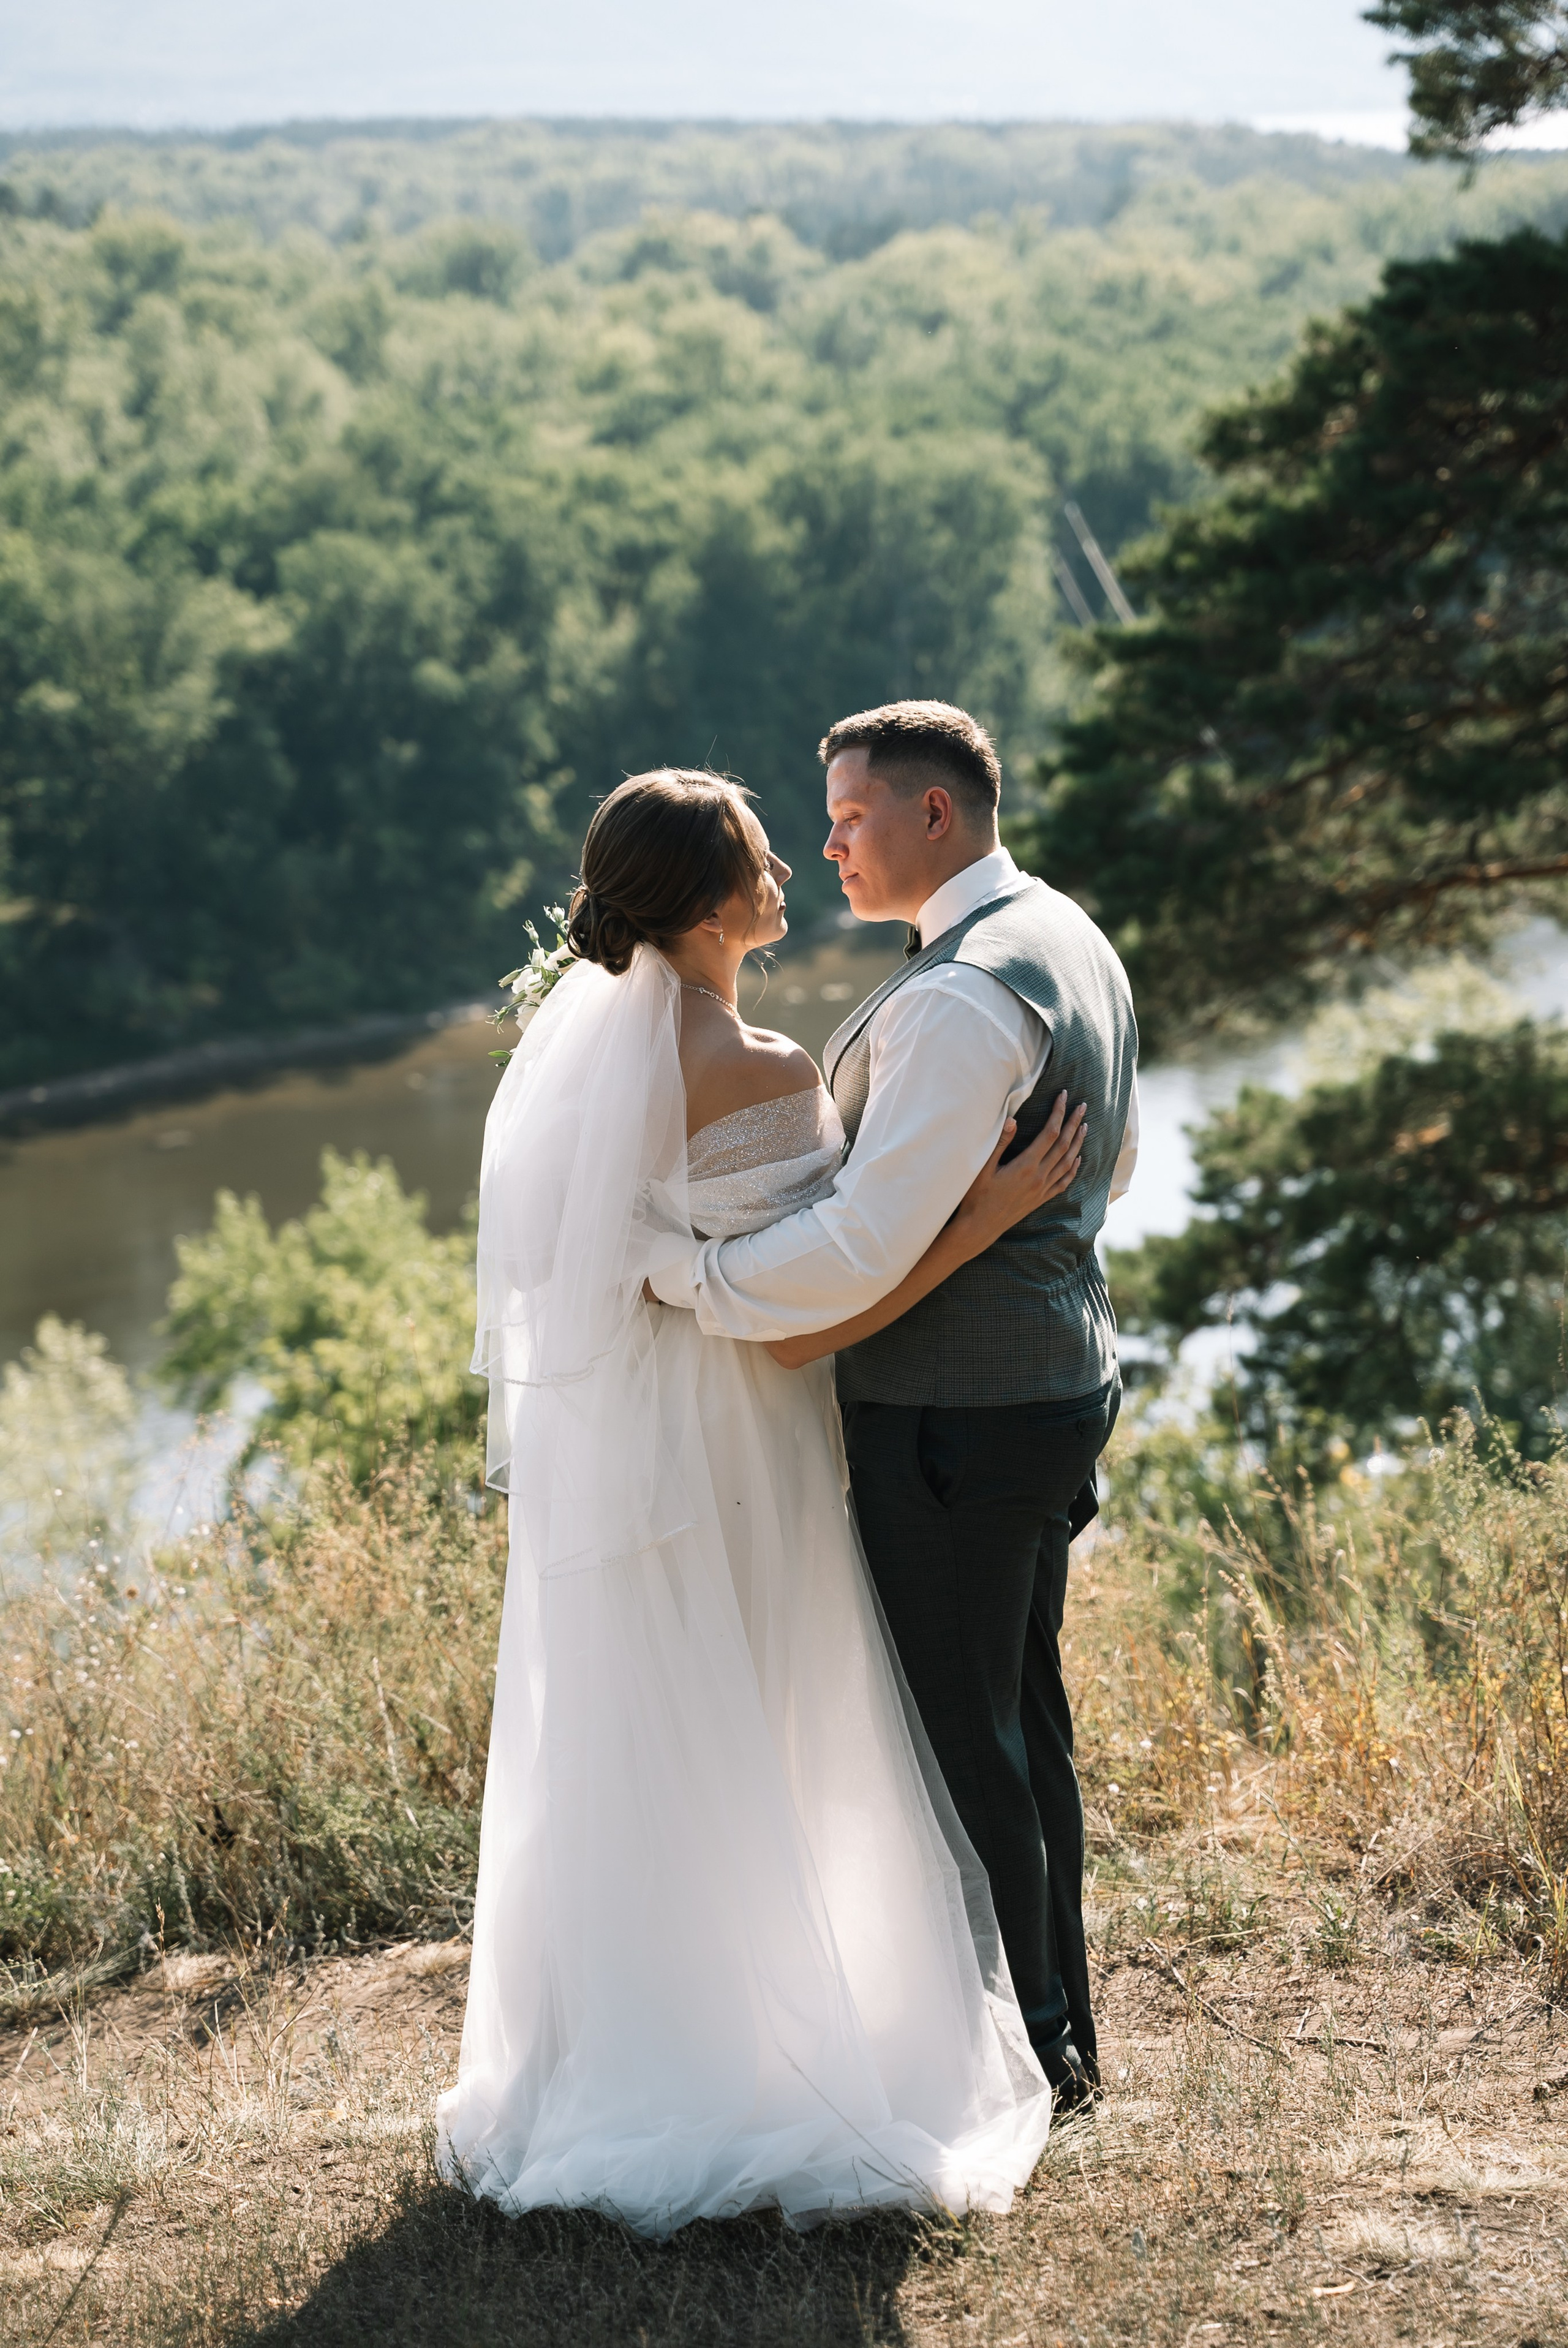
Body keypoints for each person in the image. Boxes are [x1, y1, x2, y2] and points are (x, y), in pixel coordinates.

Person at [437, 766, 1084, 2236]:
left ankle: (616, 2052)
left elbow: (569, 1278)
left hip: (622, 1449)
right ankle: (763, 2057)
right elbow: (806, 1320)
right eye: (758, 856)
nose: (788, 868)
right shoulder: (767, 1069)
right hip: (740, 1439)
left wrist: (671, 1283)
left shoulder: (574, 1049)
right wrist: (979, 1213)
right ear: (704, 898)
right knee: (774, 1721)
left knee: (643, 1727)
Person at [648, 703, 1139, 2111]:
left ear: (935, 816)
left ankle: (1030, 2055)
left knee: (960, 1739)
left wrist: (697, 1281)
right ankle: (1060, 2040)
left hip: (953, 1423)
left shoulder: (953, 1000)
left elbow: (864, 1243)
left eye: (852, 819)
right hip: (1044, 1389)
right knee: (1016, 1724)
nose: (828, 847)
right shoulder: (1066, 939)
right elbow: (1107, 1179)